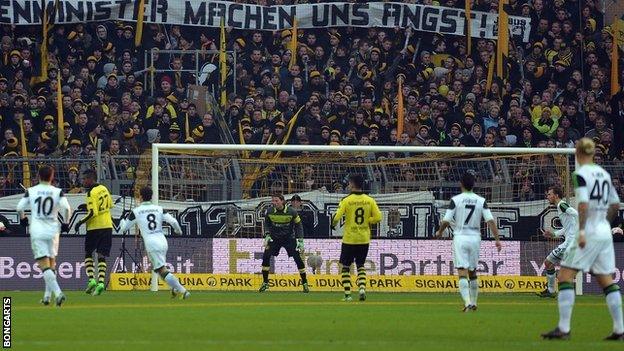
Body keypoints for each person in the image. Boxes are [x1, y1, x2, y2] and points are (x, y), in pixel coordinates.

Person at [542, 138, 623, 340]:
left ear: (577, 153)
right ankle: (619, 329)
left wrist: (584, 231)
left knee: (565, 277)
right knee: (605, 280)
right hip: (604, 231)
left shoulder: (580, 174)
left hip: (589, 232)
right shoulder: (604, 174)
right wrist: (603, 224)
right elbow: (615, 205)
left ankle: (563, 328)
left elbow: (583, 205)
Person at [435, 171, 502, 312]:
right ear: (474, 185)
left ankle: (467, 302)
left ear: (461, 184)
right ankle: (474, 302)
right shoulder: (481, 200)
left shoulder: (456, 200)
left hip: (460, 237)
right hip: (475, 238)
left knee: (462, 271)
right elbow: (490, 220)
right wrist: (497, 239)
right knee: (473, 272)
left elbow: (446, 220)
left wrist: (440, 231)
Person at [119, 186, 189, 299]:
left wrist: (122, 221)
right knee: (160, 269)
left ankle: (183, 291)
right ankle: (175, 288)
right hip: (162, 241)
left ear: (141, 197)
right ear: (151, 197)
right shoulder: (159, 209)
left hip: (152, 243)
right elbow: (173, 221)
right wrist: (178, 231)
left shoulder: (136, 211)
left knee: (161, 270)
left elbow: (124, 228)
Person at [16, 165, 72, 307]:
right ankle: (47, 297)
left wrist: (23, 219)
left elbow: (19, 207)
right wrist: (66, 223)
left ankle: (58, 293)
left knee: (44, 265)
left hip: (38, 231)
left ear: (38, 176)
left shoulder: (31, 191)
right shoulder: (58, 192)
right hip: (53, 231)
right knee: (52, 264)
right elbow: (67, 208)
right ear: (52, 177)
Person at [331, 174, 382, 302]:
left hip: (350, 238)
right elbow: (378, 218)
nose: (348, 185)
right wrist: (366, 220)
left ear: (352, 184)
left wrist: (333, 225)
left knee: (345, 267)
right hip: (364, 238)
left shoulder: (346, 200)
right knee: (360, 265)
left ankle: (348, 295)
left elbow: (337, 217)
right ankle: (362, 289)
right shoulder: (370, 200)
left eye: (349, 183)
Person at [74, 169, 113, 295]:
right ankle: (101, 282)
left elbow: (93, 213)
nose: (83, 181)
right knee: (101, 255)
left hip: (94, 228)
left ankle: (91, 280)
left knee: (88, 253)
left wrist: (80, 222)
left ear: (91, 179)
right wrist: (87, 206)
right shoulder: (104, 189)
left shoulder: (91, 193)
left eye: (85, 179)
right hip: (107, 226)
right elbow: (109, 205)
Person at [259, 193, 309, 293]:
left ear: (282, 201)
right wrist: (267, 234)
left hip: (289, 239)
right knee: (266, 256)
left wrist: (300, 240)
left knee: (297, 259)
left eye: (276, 201)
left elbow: (299, 226)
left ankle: (304, 283)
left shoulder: (292, 212)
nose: (274, 203)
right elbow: (267, 223)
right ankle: (265, 283)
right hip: (274, 239)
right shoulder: (269, 211)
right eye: (273, 201)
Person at [536, 186, 578, 298]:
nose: (548, 196)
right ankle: (550, 290)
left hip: (570, 242)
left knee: (553, 264)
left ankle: (555, 291)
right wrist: (554, 234)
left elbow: (575, 213)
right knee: (548, 263)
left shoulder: (561, 205)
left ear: (556, 195)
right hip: (571, 241)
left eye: (549, 194)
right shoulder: (561, 207)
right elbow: (567, 228)